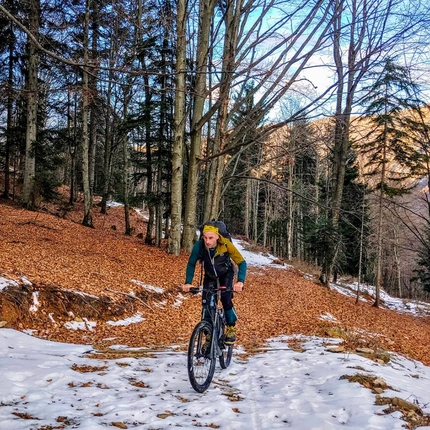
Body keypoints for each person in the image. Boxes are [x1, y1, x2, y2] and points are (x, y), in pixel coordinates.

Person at [181, 223, 247, 345]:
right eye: (205, 237)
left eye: (210, 238)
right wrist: (188, 283)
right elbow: (191, 263)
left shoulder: (226, 244)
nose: (207, 241)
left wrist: (240, 282)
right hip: (210, 276)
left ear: (217, 236)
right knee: (206, 304)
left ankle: (231, 326)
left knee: (226, 298)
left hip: (226, 274)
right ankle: (209, 335)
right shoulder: (199, 246)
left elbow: (242, 263)